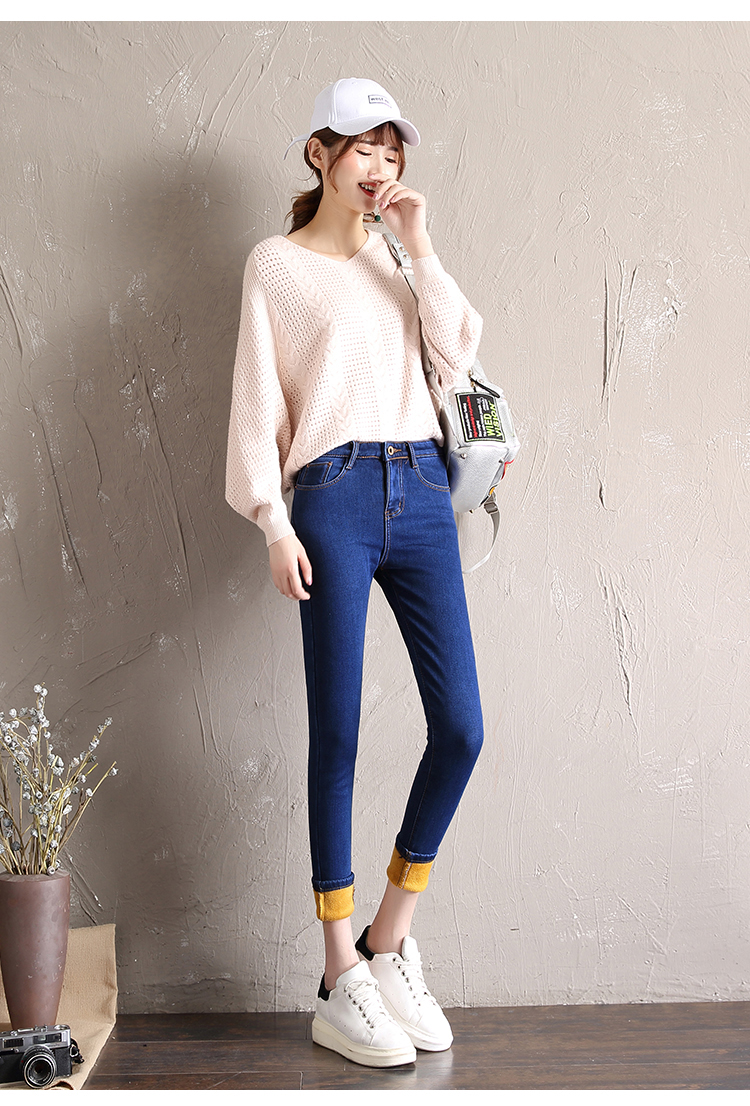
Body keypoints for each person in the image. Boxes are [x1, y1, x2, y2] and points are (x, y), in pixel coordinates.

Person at [226, 77, 485, 1068]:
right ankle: (339, 973)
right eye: (363, 148)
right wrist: (270, 520)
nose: (379, 167)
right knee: (337, 729)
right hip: (330, 495)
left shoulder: (394, 257)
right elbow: (257, 401)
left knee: (461, 726)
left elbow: (458, 355)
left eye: (391, 151)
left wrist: (419, 245)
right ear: (319, 153)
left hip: (421, 487)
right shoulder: (275, 265)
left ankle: (388, 937)